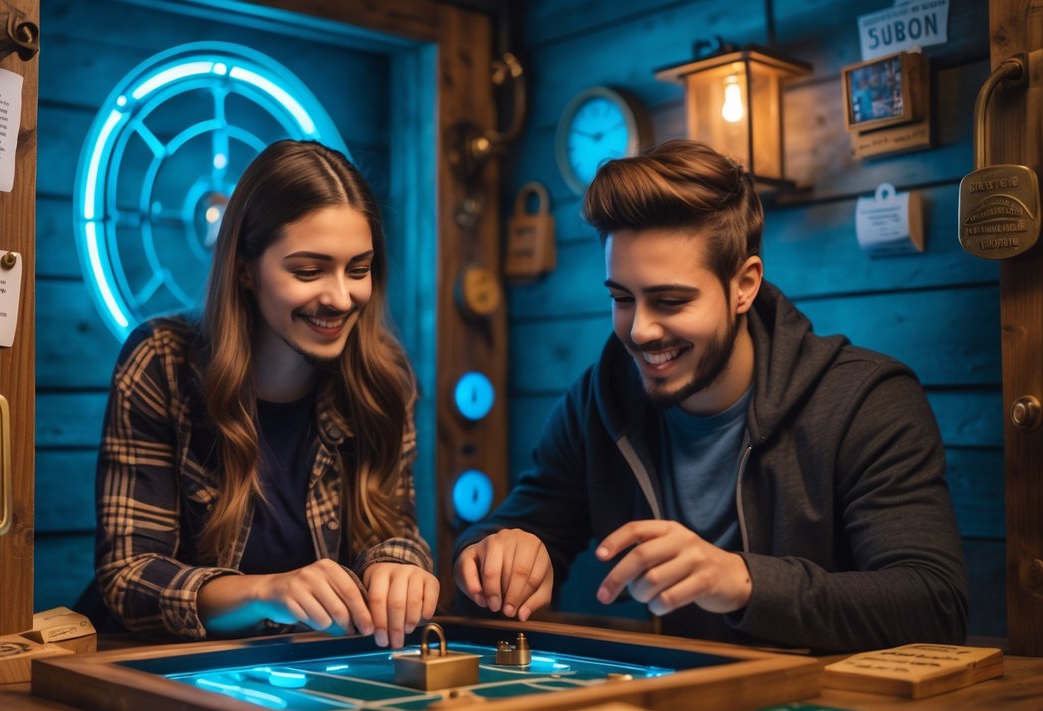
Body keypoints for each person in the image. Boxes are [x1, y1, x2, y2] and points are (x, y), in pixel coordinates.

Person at [453, 139, 968, 653]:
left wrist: (743, 582)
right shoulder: (599, 399)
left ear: (744, 285)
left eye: (671, 300)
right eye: (622, 299)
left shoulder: (865, 400)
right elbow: (515, 527)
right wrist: (495, 555)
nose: (640, 331)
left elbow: (933, 604)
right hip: (670, 709)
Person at [94, 140, 438, 648]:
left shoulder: (385, 376)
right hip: (172, 676)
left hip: (318, 675)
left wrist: (399, 565)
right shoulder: (160, 361)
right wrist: (267, 592)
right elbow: (128, 578)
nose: (342, 297)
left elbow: (395, 530)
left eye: (358, 270)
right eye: (308, 271)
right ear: (244, 270)